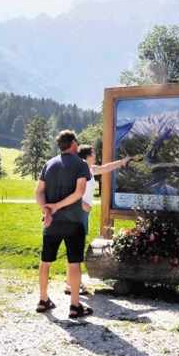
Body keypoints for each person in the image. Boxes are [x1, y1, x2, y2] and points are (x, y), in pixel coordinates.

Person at [35, 130, 93, 318]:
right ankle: (75, 306)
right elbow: (79, 192)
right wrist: (57, 207)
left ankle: (43, 300)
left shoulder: (49, 164)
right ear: (74, 143)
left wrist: (47, 211)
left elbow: (38, 192)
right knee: (74, 263)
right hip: (74, 222)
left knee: (45, 262)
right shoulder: (81, 164)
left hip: (51, 223)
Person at [63, 144, 132, 295]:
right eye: (93, 152)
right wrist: (81, 203)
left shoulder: (91, 169)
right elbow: (68, 191)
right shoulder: (77, 170)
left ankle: (71, 281)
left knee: (76, 247)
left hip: (83, 214)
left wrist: (123, 161)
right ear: (87, 155)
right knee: (75, 247)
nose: (95, 154)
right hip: (76, 213)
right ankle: (72, 284)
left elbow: (107, 167)